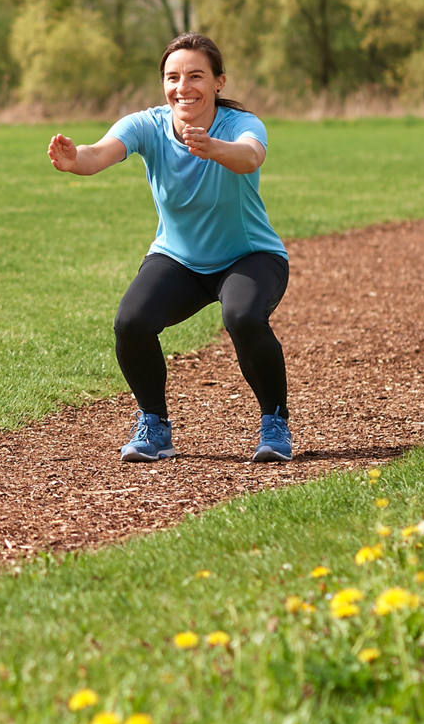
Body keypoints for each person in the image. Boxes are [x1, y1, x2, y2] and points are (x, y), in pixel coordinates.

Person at [47, 33, 293, 464]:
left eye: (196, 76)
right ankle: (154, 426)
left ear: (219, 82)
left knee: (242, 315)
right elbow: (98, 153)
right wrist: (75, 161)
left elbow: (250, 158)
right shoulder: (146, 125)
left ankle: (274, 422)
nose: (184, 87)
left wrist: (211, 146)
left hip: (250, 255)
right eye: (173, 77)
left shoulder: (242, 125)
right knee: (131, 322)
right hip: (179, 258)